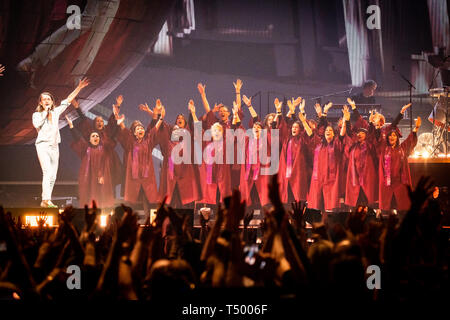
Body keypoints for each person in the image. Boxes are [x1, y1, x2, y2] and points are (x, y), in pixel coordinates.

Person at [32, 78, 90, 208]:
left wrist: (79, 88)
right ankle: (45, 199)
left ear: (52, 101)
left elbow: (68, 100)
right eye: (44, 99)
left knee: (53, 174)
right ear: (41, 102)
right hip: (42, 145)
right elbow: (36, 124)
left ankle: (46, 200)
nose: (47, 101)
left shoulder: (55, 111)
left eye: (49, 99)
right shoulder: (36, 115)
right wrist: (45, 112)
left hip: (54, 146)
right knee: (47, 171)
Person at [115, 102, 164, 211]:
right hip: (134, 179)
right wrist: (121, 123)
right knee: (131, 203)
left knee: (149, 202)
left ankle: (152, 224)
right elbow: (125, 133)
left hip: (147, 179)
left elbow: (154, 130)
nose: (141, 130)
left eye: (142, 128)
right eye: (138, 129)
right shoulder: (131, 142)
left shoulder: (148, 141)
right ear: (134, 133)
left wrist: (160, 117)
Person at [66, 115, 116, 208]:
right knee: (88, 199)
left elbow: (112, 137)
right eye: (93, 136)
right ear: (89, 139)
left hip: (101, 179)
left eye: (97, 136)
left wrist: (117, 124)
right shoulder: (86, 149)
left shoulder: (104, 149)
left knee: (101, 199)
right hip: (88, 179)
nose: (95, 137)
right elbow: (77, 139)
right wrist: (71, 126)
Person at [307, 105, 349, 215]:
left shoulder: (336, 144)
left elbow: (342, 134)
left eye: (330, 130)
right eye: (326, 130)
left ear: (334, 133)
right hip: (319, 178)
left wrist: (345, 119)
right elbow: (311, 133)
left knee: (331, 206)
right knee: (318, 206)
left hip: (332, 179)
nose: (328, 131)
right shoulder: (319, 144)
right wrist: (303, 119)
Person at [377, 117, 421, 212]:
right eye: (390, 135)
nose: (392, 137)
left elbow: (410, 140)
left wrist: (416, 128)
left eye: (394, 135)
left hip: (400, 183)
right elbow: (378, 139)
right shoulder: (383, 149)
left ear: (397, 138)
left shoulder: (402, 148)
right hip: (386, 185)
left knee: (401, 208)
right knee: (387, 209)